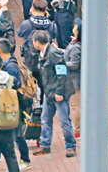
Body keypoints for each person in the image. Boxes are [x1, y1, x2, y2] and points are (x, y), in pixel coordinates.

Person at [32, 30, 76, 158]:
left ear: (37, 42)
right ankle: (45, 144)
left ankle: (70, 146)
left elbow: (62, 73)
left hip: (57, 92)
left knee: (64, 121)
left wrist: (59, 92)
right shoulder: (43, 53)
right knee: (45, 118)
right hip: (49, 92)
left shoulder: (53, 54)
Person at [0, 38, 31, 170]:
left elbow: (12, 85)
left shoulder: (10, 67)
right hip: (10, 104)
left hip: (12, 105)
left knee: (17, 134)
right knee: (4, 132)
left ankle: (26, 160)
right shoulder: (9, 63)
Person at [16, 0, 58, 91]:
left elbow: (19, 33)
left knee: (29, 88)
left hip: (30, 62)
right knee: (46, 89)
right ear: (45, 9)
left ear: (33, 9)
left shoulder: (26, 24)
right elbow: (55, 36)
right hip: (46, 63)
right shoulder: (52, 25)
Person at [64, 21, 82, 138]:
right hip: (74, 79)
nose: (74, 27)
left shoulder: (76, 47)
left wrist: (62, 63)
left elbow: (74, 64)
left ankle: (76, 130)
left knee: (75, 105)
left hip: (75, 80)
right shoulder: (75, 43)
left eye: (76, 26)